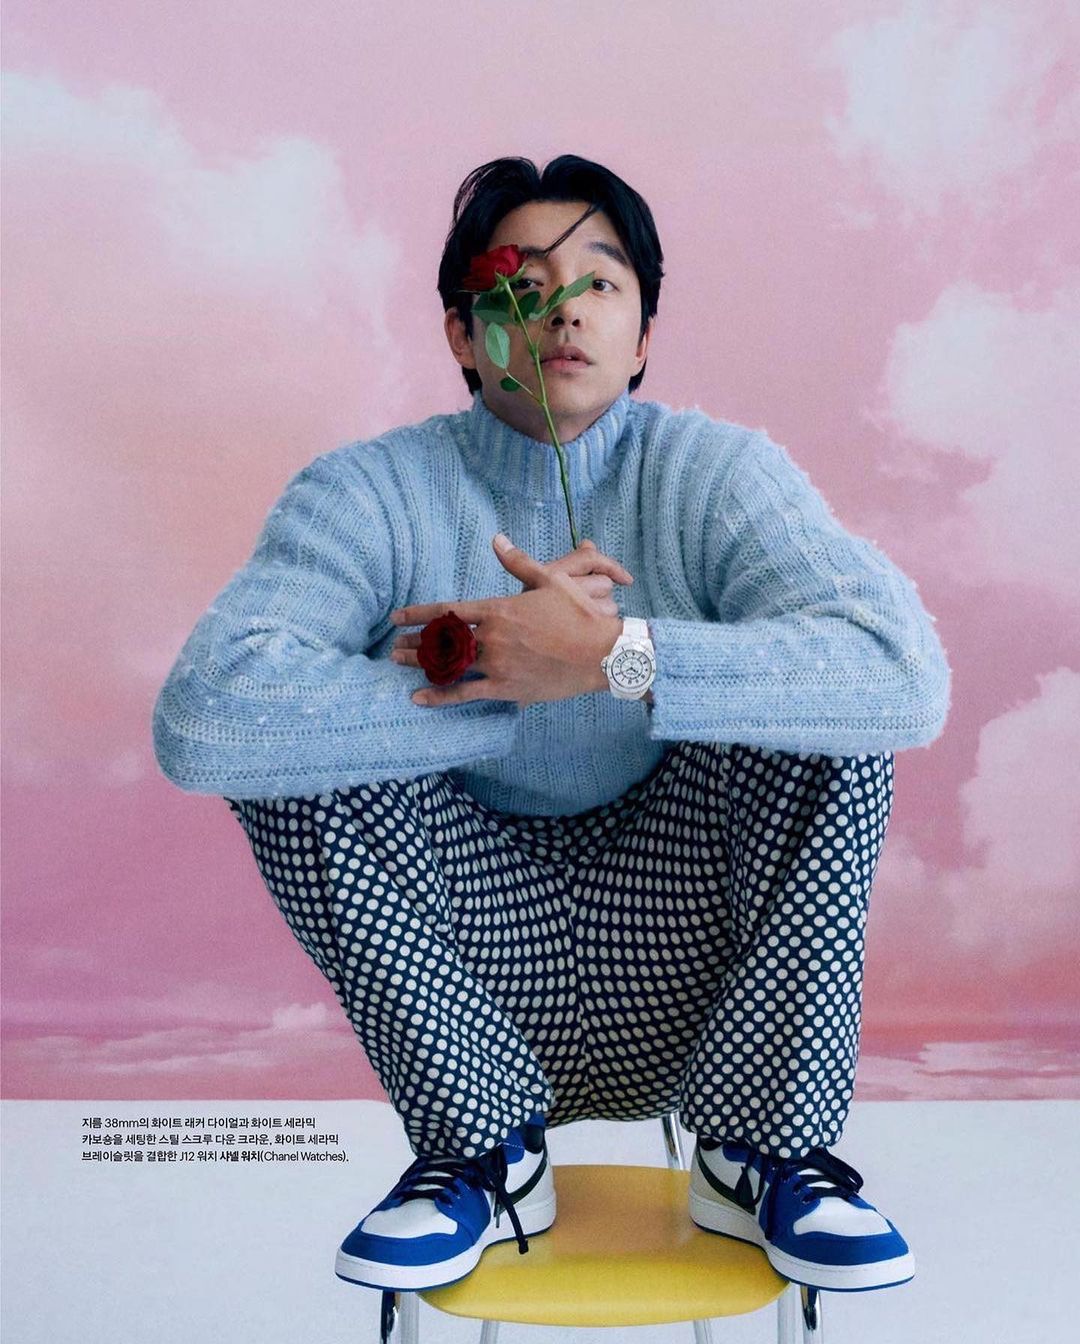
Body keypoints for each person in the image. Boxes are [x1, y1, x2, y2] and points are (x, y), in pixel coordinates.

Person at [152, 154, 950, 1297]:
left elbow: (900, 676)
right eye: (520, 285)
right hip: (461, 939)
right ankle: (481, 1155)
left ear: (643, 335)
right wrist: (496, 665)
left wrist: (615, 658)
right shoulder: (365, 490)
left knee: (824, 717)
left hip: (690, 927)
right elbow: (205, 715)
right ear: (462, 333)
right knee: (291, 747)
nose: (562, 310)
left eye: (599, 283)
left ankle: (760, 1150)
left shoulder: (718, 472)